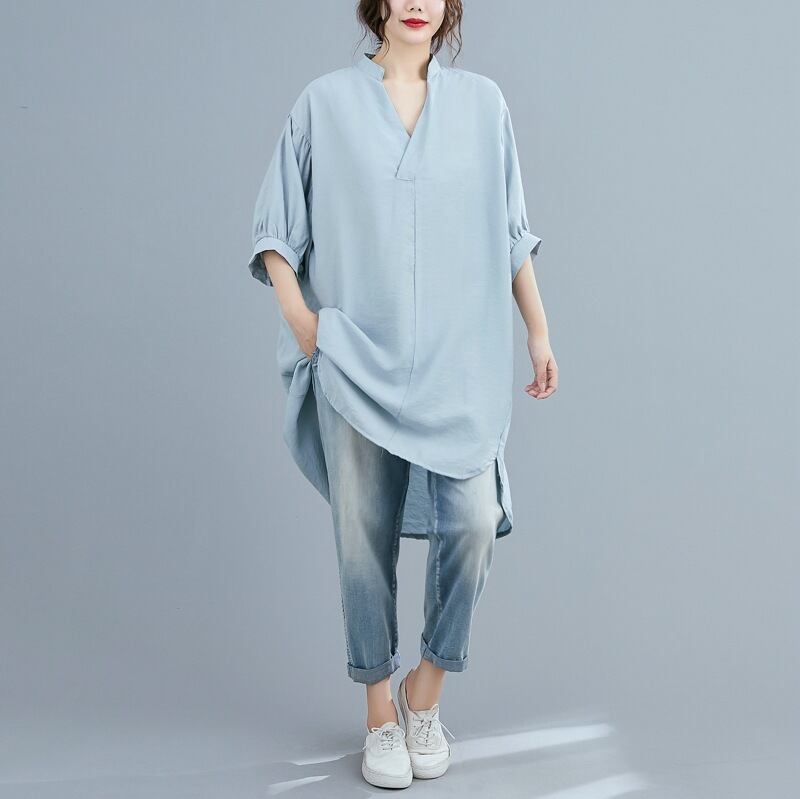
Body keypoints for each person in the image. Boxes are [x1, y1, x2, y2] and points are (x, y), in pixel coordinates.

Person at [246, 0, 557, 789]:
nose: (418, 3)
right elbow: (277, 227)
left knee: (474, 522)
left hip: (460, 363)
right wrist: (304, 324)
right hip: (355, 361)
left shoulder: (483, 105)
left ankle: (426, 691)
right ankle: (380, 711)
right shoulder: (323, 104)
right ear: (377, 4)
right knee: (363, 537)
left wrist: (539, 330)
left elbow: (510, 231)